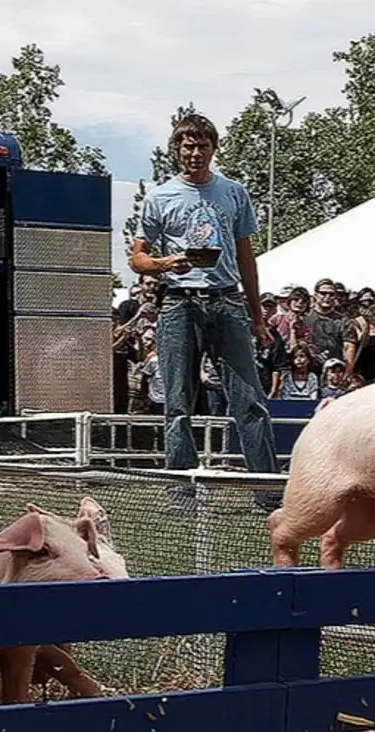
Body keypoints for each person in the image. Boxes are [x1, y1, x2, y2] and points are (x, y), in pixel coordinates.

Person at [129, 112, 278, 512]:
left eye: (202, 146)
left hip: (226, 300)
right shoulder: (160, 197)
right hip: (179, 302)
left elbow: (246, 257)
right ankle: (182, 493)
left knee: (249, 400)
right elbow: (137, 258)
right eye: (188, 146)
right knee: (178, 403)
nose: (195, 153)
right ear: (176, 150)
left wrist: (257, 317)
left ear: (213, 149)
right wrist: (167, 263)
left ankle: (268, 492)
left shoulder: (233, 192)